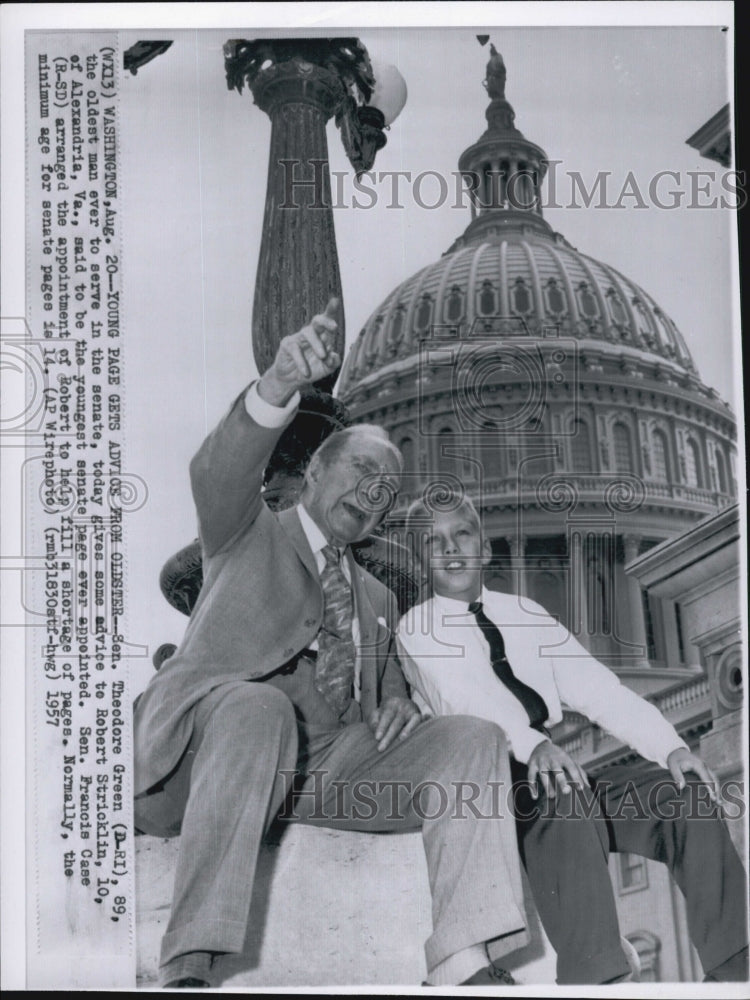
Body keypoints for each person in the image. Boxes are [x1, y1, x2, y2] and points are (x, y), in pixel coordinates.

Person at [133, 301, 532, 989]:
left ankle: (468, 959)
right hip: (209, 751)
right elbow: (216, 470)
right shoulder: (245, 530)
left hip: (325, 772)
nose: (373, 493)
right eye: (359, 470)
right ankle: (189, 968)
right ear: (313, 474)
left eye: (387, 490)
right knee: (260, 711)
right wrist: (279, 383)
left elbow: (390, 691)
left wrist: (402, 703)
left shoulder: (377, 598)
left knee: (473, 737)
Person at [396, 491, 749, 985]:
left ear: (486, 548)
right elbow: (463, 699)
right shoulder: (418, 627)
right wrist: (532, 745)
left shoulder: (527, 614)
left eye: (463, 534)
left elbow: (600, 690)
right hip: (490, 786)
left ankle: (735, 971)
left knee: (683, 795)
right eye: (433, 542)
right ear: (419, 559)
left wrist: (672, 748)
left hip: (559, 773)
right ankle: (594, 979)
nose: (452, 549)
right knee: (563, 789)